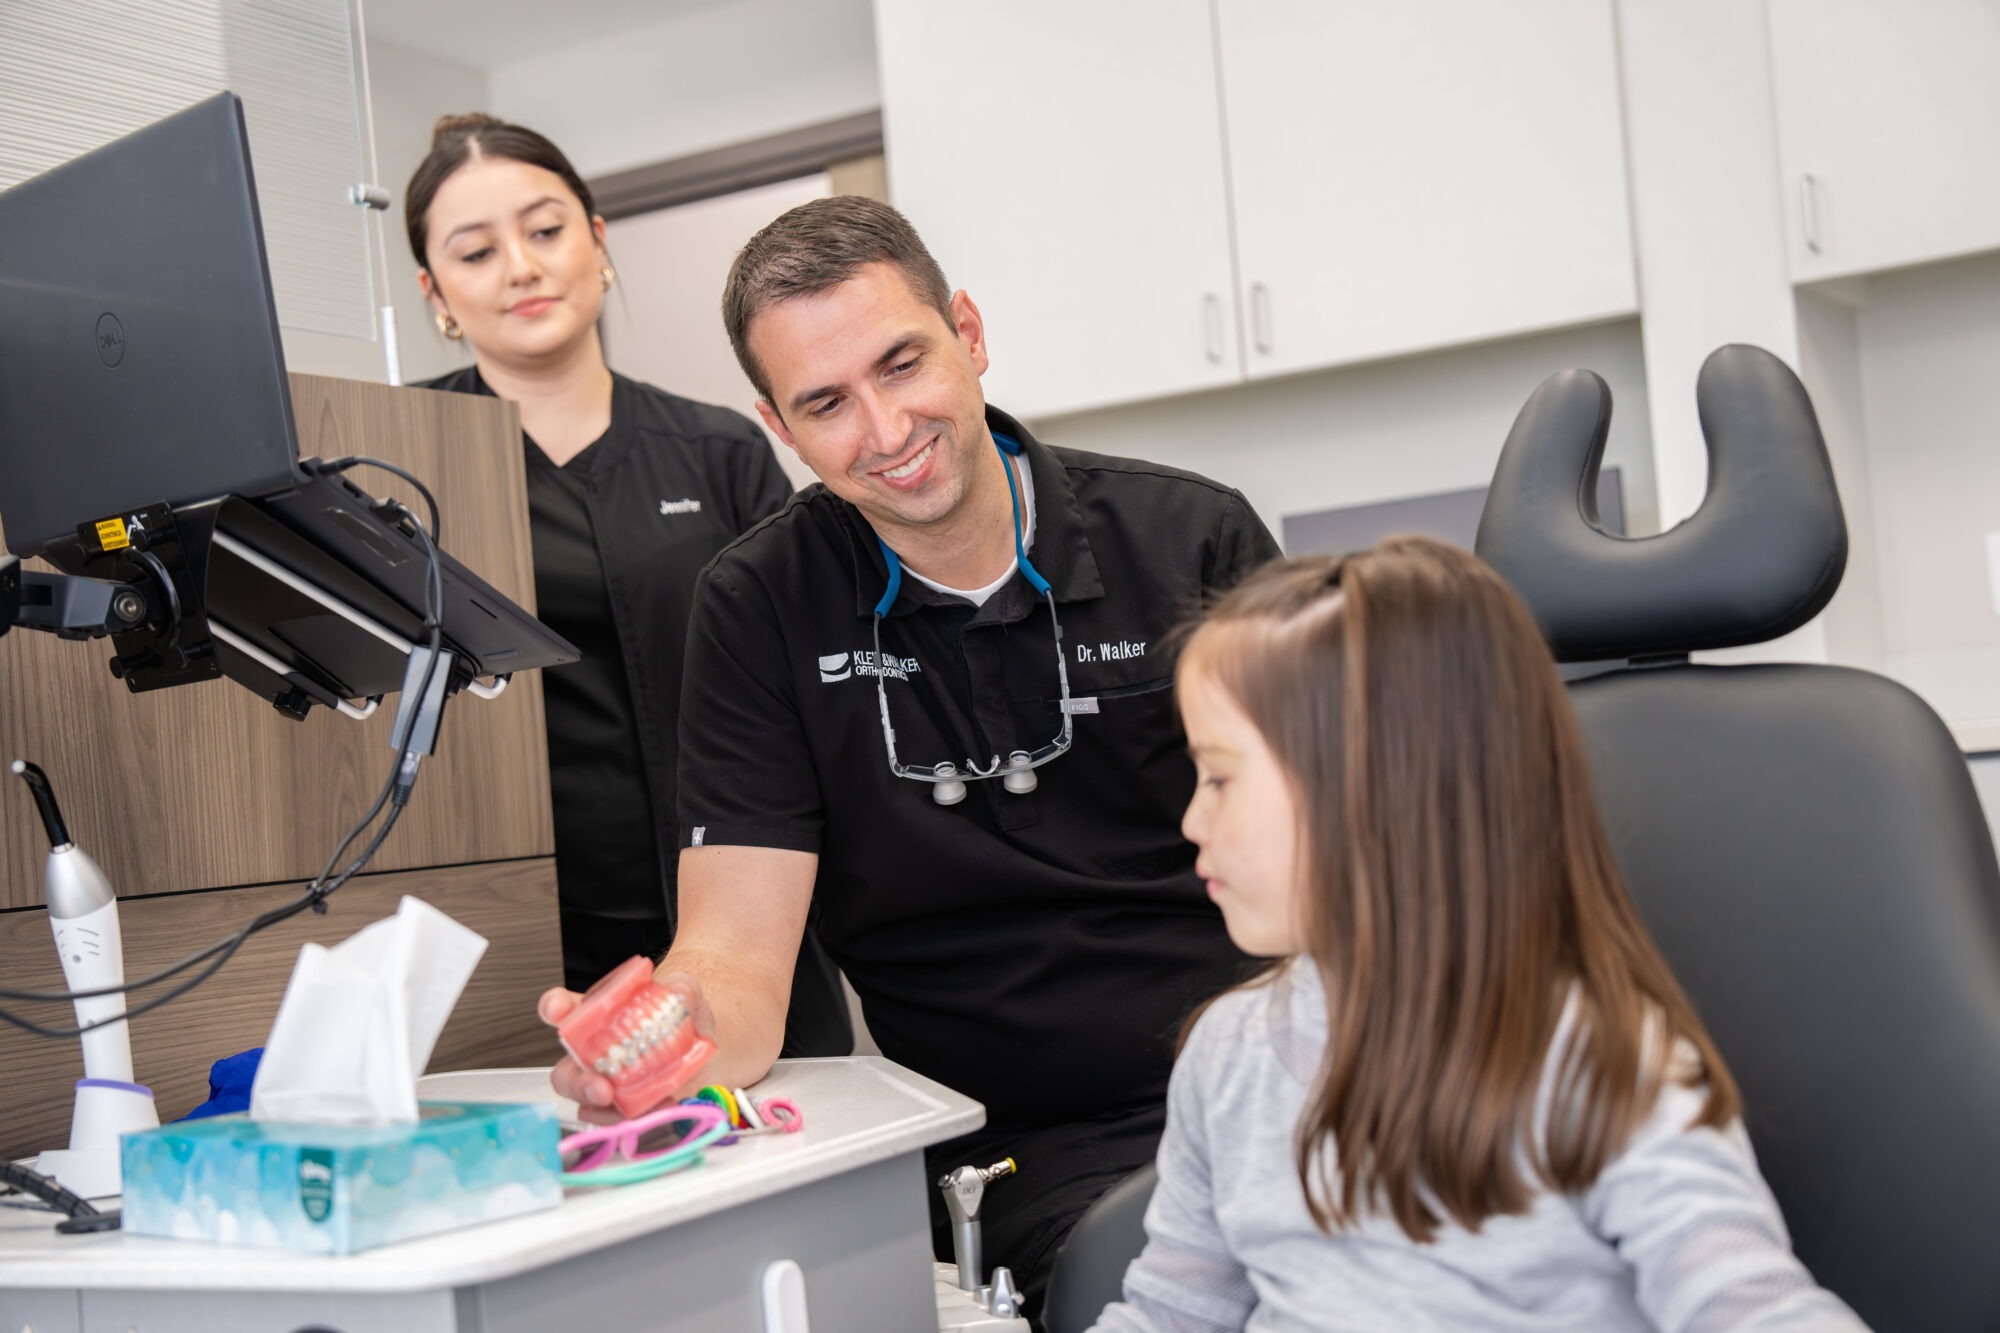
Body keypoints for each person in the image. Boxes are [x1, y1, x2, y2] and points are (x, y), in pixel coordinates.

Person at [539, 195, 1281, 1320]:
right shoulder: (758, 606)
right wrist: (657, 1044)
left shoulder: (1189, 539)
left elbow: (1336, 863)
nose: (884, 432)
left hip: (1264, 1074)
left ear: (968, 335)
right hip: (1029, 1151)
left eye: (902, 363)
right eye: (826, 404)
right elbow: (735, 961)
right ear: (777, 428)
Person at [1087, 539, 1869, 1332]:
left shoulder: (1598, 1068)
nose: (1191, 819)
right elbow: (1169, 1313)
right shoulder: (1229, 1056)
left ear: (1375, 795)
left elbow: (1747, 1307)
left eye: (1219, 777)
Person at [401, 114, 847, 1053]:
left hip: (736, 912)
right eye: (477, 252)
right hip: (510, 941)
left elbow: (809, 681)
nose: (521, 266)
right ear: (436, 293)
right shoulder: (400, 464)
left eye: (546, 229)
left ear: (599, 241)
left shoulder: (721, 449)